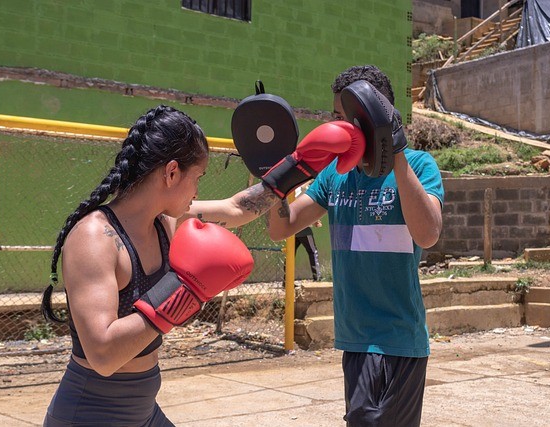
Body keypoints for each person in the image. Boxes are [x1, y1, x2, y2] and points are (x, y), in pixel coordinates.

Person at [40, 104, 366, 426]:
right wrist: (186, 290)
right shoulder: (95, 238)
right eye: (197, 177)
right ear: (171, 173)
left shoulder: (164, 222)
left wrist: (299, 167)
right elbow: (103, 356)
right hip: (89, 415)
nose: (198, 189)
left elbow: (238, 208)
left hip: (142, 410)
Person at [265, 65, 444, 426]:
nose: (338, 127)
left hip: (398, 339)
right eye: (334, 117)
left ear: (376, 119)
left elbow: (427, 234)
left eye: (346, 118)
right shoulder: (335, 174)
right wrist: (277, 178)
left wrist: (394, 153)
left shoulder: (419, 166)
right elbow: (281, 227)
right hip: (356, 340)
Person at [294, 184, 322, 281]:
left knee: (290, 253)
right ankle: (317, 277)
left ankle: (286, 281)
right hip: (303, 228)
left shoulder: (294, 191)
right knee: (313, 252)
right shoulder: (304, 190)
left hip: (292, 229)